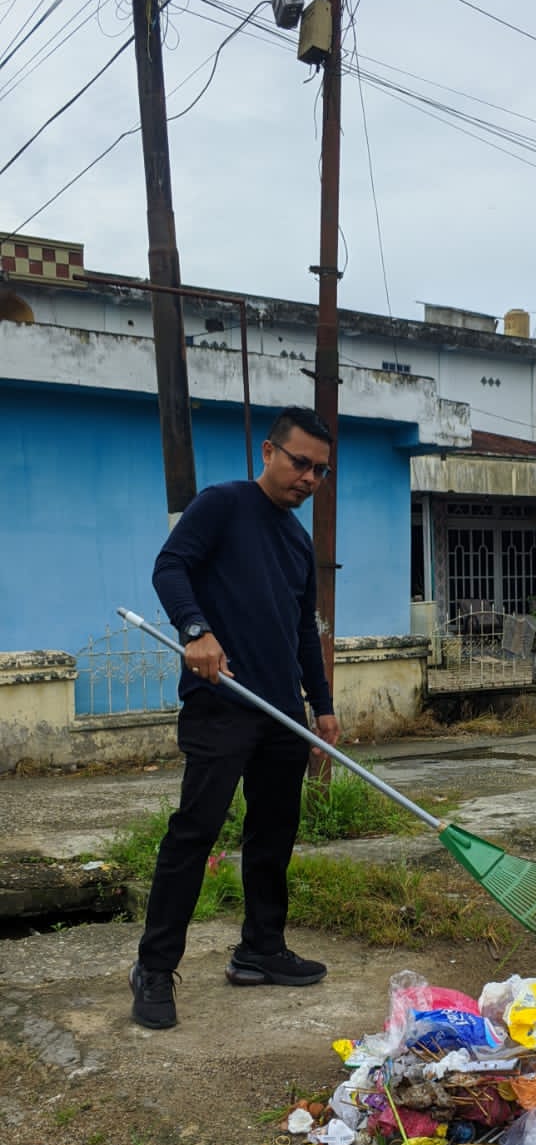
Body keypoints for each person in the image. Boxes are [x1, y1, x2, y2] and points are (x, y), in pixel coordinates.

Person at [129, 406, 340, 1030]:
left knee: (273, 834)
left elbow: (303, 629)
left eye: (320, 471)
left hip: (280, 712)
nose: (308, 478)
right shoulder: (222, 504)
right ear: (269, 452)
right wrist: (196, 630)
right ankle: (154, 968)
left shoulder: (299, 543)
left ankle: (261, 950)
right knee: (195, 831)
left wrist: (321, 706)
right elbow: (170, 567)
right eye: (300, 462)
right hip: (221, 704)